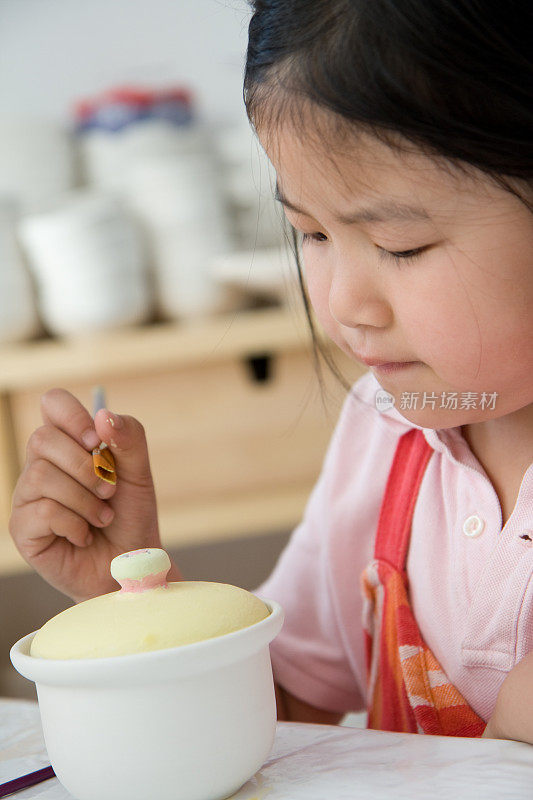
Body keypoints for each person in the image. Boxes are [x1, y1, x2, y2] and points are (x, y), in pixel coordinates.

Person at [9, 0, 533, 742]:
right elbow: (280, 703)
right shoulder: (381, 432)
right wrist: (134, 592)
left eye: (399, 245)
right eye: (310, 233)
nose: (344, 304)